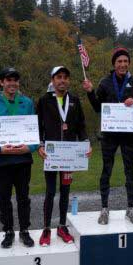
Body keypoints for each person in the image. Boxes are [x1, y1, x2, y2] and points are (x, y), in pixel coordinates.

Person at [82, 47, 133, 225]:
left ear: (129, 63)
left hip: (128, 136)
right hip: (109, 135)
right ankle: (104, 208)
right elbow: (96, 107)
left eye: (125, 61)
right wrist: (90, 92)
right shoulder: (105, 82)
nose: (123, 64)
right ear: (114, 64)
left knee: (129, 171)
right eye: (119, 61)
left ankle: (130, 208)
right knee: (106, 171)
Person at [0, 67, 38, 248]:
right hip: (2, 160)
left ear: (18, 82)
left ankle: (24, 230)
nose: (12, 83)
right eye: (8, 79)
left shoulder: (27, 103)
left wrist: (29, 147)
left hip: (22, 160)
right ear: (1, 82)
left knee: (23, 197)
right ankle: (8, 231)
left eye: (15, 79)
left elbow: (35, 132)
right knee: (4, 198)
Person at [37, 66, 92, 246]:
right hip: (52, 155)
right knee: (51, 191)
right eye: (58, 77)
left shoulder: (75, 100)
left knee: (65, 191)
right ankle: (46, 229)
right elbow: (38, 127)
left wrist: (86, 142)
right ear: (52, 80)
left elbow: (81, 126)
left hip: (69, 156)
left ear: (69, 80)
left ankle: (61, 226)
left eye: (65, 77)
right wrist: (40, 145)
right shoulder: (44, 101)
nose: (62, 80)